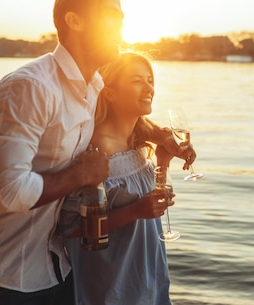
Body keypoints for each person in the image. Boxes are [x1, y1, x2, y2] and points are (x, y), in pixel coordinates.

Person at [0, 0, 193, 305]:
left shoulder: (90, 88)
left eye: (121, 17)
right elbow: (6, 193)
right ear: (74, 21)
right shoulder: (30, 87)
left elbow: (114, 115)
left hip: (55, 271)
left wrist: (159, 134)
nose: (121, 25)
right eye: (111, 16)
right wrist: (80, 175)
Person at [59, 51, 182, 305]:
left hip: (147, 274)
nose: (149, 87)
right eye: (137, 80)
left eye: (150, 79)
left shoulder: (137, 141)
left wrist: (163, 162)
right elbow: (70, 228)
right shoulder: (94, 151)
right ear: (110, 92)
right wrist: (135, 210)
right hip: (109, 284)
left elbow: (148, 206)